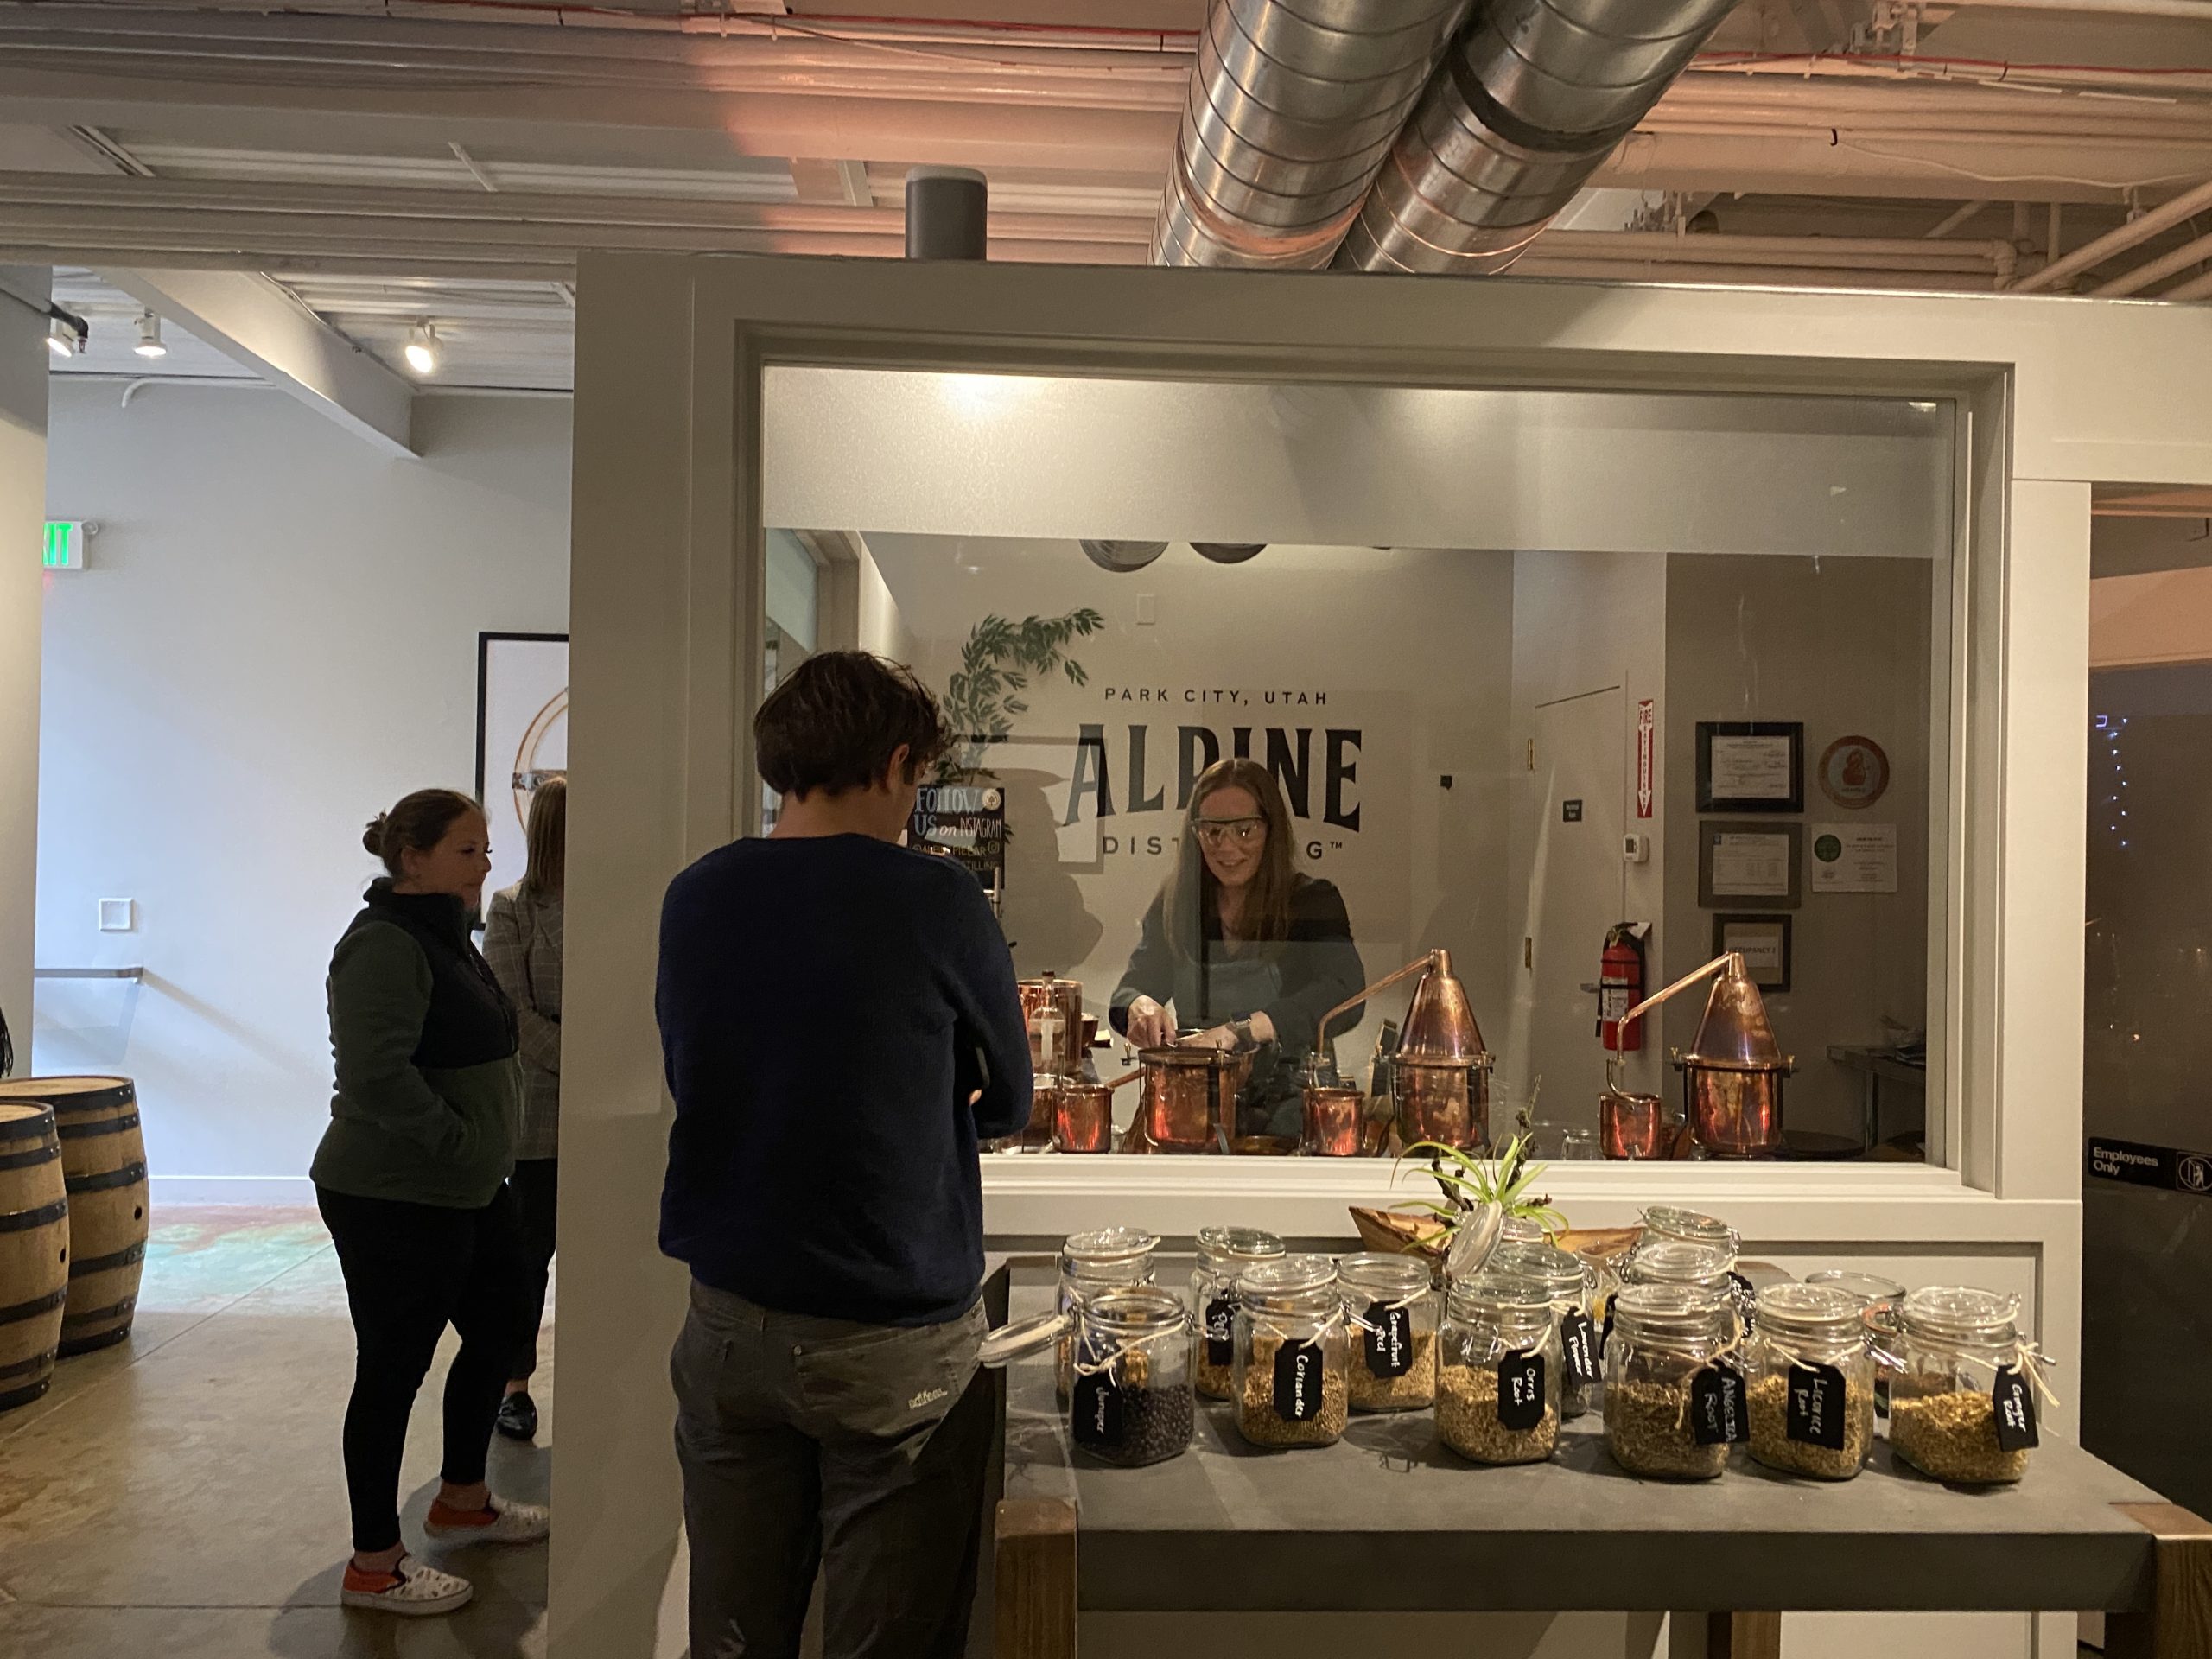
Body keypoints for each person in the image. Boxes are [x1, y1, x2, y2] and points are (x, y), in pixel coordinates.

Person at [658, 650, 1031, 1659]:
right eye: (915, 780)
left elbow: (695, 1074)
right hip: (889, 1333)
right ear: (896, 764)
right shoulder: (935, 900)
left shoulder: (696, 895)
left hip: (730, 1320)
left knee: (733, 1637)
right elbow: (1010, 1099)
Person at [311, 788, 548, 1618]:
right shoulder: (382, 945)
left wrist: (476, 1157)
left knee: (500, 1327)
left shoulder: (449, 936)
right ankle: (374, 1564)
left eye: (485, 849)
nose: (485, 863)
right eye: (467, 850)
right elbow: (375, 1074)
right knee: (392, 1369)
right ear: (412, 859)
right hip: (394, 1193)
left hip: (467, 1189)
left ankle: (462, 1498)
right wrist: (455, 1141)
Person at [1112, 757, 1367, 1140]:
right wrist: (1140, 1007)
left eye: (1244, 831)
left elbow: (1346, 993)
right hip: (1195, 1106)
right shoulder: (1178, 902)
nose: (1226, 847)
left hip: (1290, 1111)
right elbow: (1127, 993)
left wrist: (1239, 1032)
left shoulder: (1312, 900)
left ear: (1272, 830)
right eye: (1211, 832)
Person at [482, 776, 565, 1442]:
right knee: (527, 1259)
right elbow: (514, 1011)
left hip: (605, 1115)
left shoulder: (614, 903)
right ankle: (515, 1386)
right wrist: (586, 1064)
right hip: (539, 1110)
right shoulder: (511, 908)